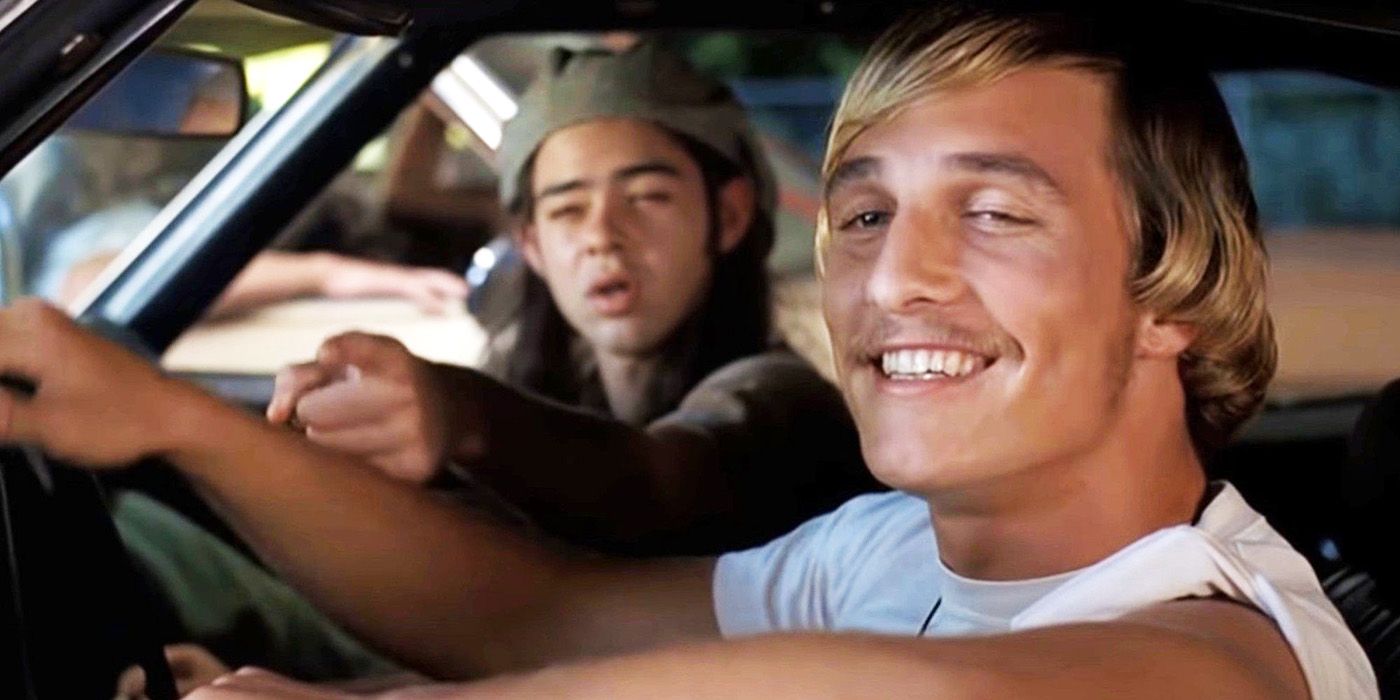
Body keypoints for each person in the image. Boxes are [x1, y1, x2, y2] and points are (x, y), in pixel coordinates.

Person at [0, 4, 1378, 698]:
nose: (892, 276)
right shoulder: (885, 549)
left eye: (998, 211)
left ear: (1171, 288)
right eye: (863, 213)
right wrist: (181, 426)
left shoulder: (1232, 641)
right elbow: (531, 620)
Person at [264, 41, 876, 554]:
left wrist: (463, 415)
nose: (601, 238)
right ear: (531, 244)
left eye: (645, 199)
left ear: (730, 214)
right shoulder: (540, 380)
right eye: (566, 209)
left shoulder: (783, 402)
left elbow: (659, 484)